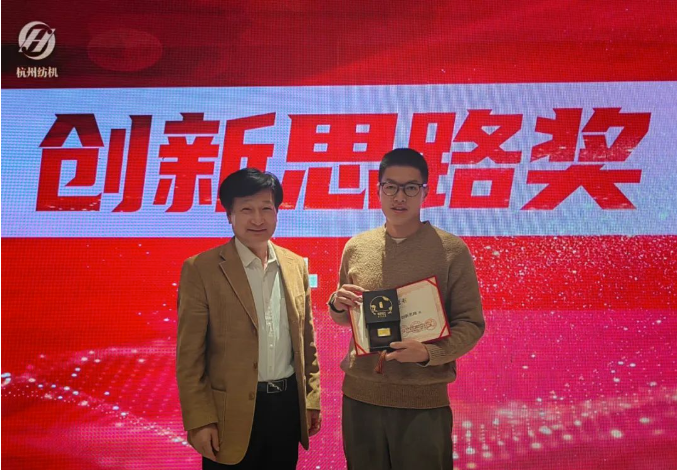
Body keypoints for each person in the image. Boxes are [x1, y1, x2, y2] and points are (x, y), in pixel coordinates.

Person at [327, 148, 485, 470]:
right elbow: (346, 316)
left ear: (425, 192)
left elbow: (471, 324)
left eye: (410, 187)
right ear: (378, 190)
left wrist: (429, 353)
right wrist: (337, 304)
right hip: (360, 397)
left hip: (422, 401)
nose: (399, 197)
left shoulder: (451, 250)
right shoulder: (356, 247)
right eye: (391, 187)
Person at [176, 168, 321, 469]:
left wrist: (311, 400)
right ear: (229, 215)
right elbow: (190, 358)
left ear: (277, 212)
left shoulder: (295, 265)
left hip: (285, 411)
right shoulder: (201, 269)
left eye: (266, 208)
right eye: (246, 210)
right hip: (228, 416)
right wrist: (200, 420)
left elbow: (306, 343)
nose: (258, 219)